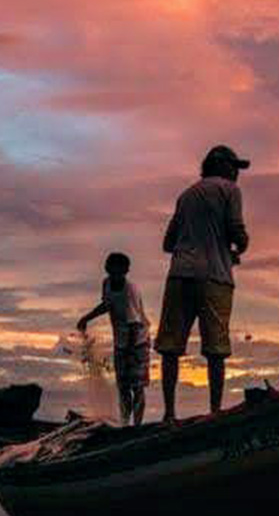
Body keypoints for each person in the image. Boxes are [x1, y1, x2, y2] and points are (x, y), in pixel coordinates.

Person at [155, 145, 250, 422]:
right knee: (215, 349)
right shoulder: (230, 190)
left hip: (179, 275)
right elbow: (236, 231)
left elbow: (167, 243)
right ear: (222, 167)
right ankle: (215, 412)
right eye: (234, 167)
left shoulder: (186, 195)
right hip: (215, 277)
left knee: (170, 348)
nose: (236, 173)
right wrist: (240, 247)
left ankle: (169, 415)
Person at [77, 252, 151, 426]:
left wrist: (131, 352)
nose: (114, 274)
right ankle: (125, 422)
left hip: (138, 342)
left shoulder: (129, 291)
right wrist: (87, 318)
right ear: (107, 269)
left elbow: (134, 325)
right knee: (122, 385)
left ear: (126, 271)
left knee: (137, 386)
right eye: (111, 270)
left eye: (119, 271)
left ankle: (137, 425)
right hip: (121, 341)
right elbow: (107, 304)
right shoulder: (107, 283)